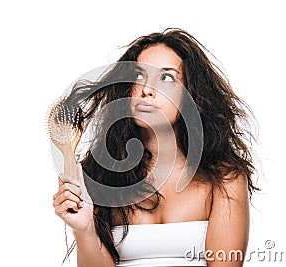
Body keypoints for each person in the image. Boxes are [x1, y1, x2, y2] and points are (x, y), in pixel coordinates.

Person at [52, 28, 259, 267]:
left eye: (167, 78)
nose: (146, 90)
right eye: (139, 76)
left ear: (191, 94)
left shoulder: (224, 179)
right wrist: (85, 229)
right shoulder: (101, 177)